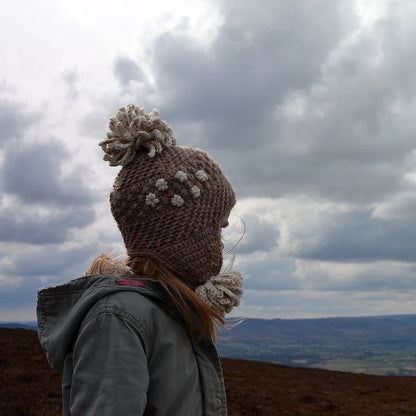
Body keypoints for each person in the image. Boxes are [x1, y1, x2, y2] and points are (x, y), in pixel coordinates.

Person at [37, 105, 243, 416]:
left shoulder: (172, 310)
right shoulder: (118, 318)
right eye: (219, 227)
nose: (222, 242)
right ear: (186, 235)